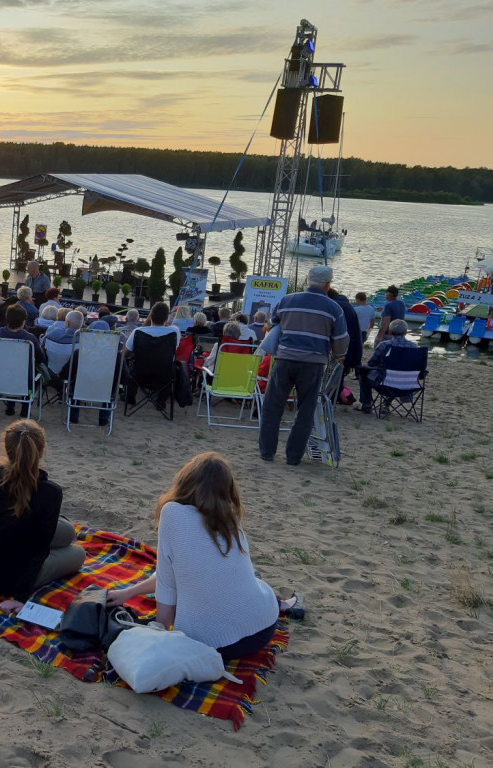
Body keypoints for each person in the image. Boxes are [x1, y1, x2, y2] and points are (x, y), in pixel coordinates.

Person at [106, 453, 297, 661]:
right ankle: (284, 604)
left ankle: (283, 604)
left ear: (184, 480)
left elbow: (167, 583)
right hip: (264, 628)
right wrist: (128, 593)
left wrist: (159, 631)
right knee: (250, 578)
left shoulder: (172, 513)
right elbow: (180, 575)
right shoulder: (229, 518)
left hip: (211, 645)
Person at [0, 420, 84, 613]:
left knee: (68, 531)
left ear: (7, 448)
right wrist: (20, 598)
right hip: (10, 576)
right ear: (42, 450)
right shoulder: (50, 492)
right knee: (78, 553)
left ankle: (46, 523)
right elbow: (37, 550)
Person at [259, 265, 348, 466]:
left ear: (307, 281)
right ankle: (293, 457)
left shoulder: (287, 300)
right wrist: (339, 355)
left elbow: (272, 325)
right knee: (305, 411)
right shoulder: (334, 308)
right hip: (313, 363)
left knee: (273, 406)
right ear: (327, 284)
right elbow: (341, 339)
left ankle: (267, 452)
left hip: (285, 359)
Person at [0, 299, 46, 416]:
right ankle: (25, 408)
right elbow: (41, 360)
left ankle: (10, 406)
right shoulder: (30, 339)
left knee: (9, 369)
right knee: (32, 373)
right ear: (24, 321)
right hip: (23, 382)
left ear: (7, 319)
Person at [357, 319, 417, 414]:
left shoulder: (384, 345)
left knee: (363, 371)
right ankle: (386, 404)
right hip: (407, 385)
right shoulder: (414, 347)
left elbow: (371, 363)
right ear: (405, 332)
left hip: (385, 384)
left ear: (389, 331)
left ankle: (366, 403)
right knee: (394, 373)